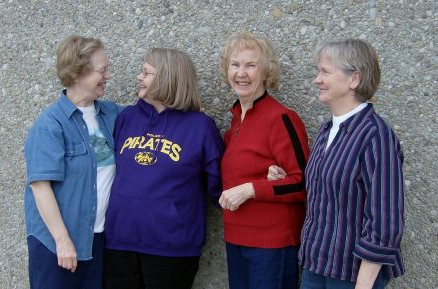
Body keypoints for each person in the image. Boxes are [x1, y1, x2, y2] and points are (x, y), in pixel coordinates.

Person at [268, 39, 405, 289]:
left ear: (354, 79)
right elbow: (332, 191)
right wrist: (284, 177)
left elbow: (385, 223)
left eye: (325, 72)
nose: (316, 80)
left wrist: (363, 286)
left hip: (350, 276)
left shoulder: (376, 136)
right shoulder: (328, 129)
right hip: (316, 266)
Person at [104, 48, 224, 289]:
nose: (139, 77)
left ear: (167, 77)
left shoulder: (200, 126)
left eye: (146, 72)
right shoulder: (127, 118)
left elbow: (219, 184)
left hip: (171, 245)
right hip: (120, 240)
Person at [24, 35, 121, 289]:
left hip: (97, 240)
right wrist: (62, 240)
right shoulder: (50, 125)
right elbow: (40, 186)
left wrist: (186, 109)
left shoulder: (112, 114)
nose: (107, 76)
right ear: (77, 74)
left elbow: (151, 119)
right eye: (102, 70)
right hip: (57, 245)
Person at [218, 31, 310, 289]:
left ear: (266, 72)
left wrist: (251, 189)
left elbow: (302, 182)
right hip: (236, 238)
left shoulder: (281, 118)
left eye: (251, 65)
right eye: (235, 65)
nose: (241, 73)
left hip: (272, 243)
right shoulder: (236, 119)